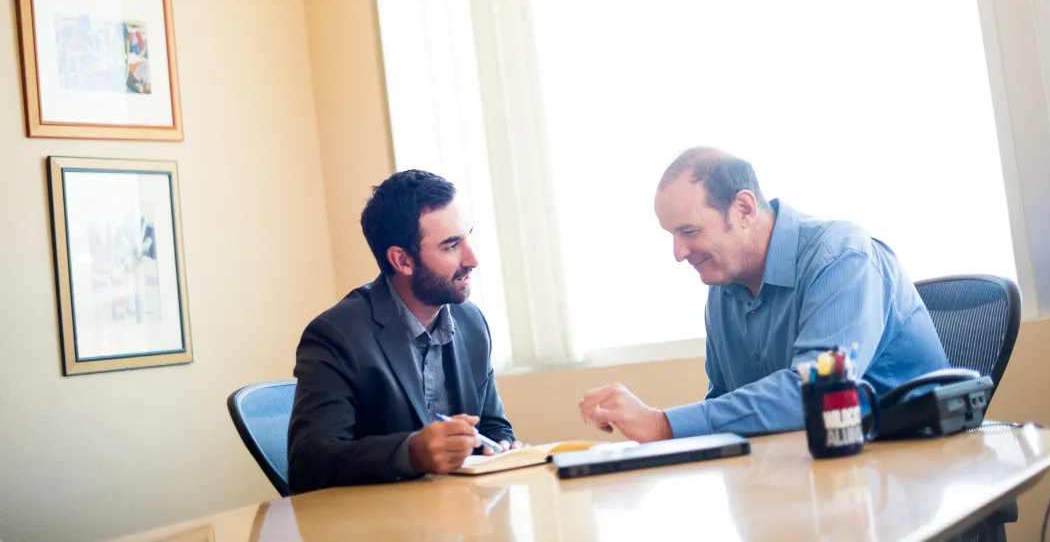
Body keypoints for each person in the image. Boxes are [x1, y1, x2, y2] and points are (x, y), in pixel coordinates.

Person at [578, 147, 949, 442]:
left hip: (907, 477)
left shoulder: (842, 257)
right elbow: (724, 405)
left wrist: (663, 425)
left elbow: (814, 395)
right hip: (809, 482)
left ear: (743, 208)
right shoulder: (723, 290)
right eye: (672, 235)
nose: (677, 253)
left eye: (689, 231)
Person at [288, 170, 517, 493]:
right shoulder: (336, 335)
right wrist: (411, 453)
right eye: (451, 246)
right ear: (402, 260)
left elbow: (493, 426)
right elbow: (308, 464)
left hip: (460, 516)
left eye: (467, 237)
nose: (473, 259)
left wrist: (502, 445)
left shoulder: (471, 322)